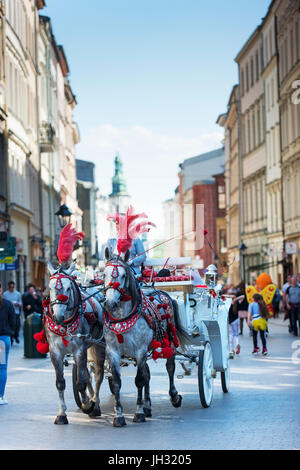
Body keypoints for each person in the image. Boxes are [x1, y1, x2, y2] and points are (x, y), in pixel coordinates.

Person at [0, 282, 16, 404]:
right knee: (2, 368)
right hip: (3, 339)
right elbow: (14, 323)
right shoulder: (8, 304)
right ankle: (0, 396)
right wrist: (8, 332)